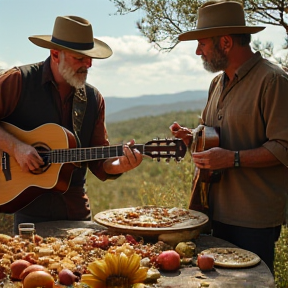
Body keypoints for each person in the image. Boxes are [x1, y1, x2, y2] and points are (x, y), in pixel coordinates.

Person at [170, 0, 288, 274]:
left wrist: (232, 159)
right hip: (212, 214)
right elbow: (212, 137)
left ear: (225, 42)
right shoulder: (217, 83)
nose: (198, 51)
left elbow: (284, 147)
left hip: (253, 221)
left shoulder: (273, 81)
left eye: (202, 43)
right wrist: (193, 139)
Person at [0, 15, 142, 233]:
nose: (89, 64)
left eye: (90, 58)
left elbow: (100, 159)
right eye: (80, 58)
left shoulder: (94, 99)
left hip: (76, 213)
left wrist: (120, 165)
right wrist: (16, 147)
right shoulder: (19, 81)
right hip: (27, 210)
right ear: (56, 54)